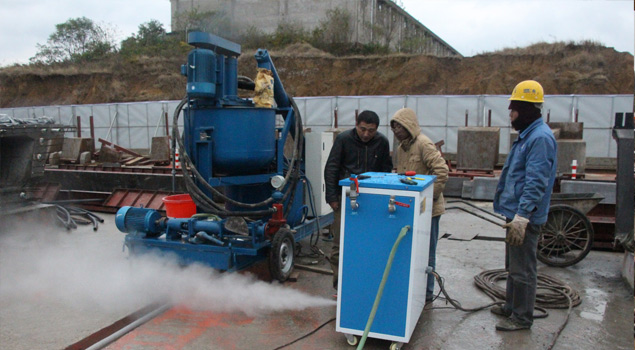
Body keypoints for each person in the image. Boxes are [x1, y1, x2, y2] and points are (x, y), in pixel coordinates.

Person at [492, 80, 557, 331]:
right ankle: (511, 307)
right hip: (515, 215)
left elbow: (535, 183)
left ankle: (521, 317)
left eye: (514, 109)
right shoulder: (528, 135)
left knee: (523, 270)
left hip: (524, 218)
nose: (510, 114)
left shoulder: (539, 139)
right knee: (513, 267)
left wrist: (522, 217)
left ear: (526, 109)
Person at [324, 110, 393, 290]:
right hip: (344, 196)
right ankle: (339, 286)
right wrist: (332, 197)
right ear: (356, 124)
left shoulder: (382, 142)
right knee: (340, 243)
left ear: (376, 129)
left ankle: (366, 284)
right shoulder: (343, 140)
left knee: (370, 241)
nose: (366, 134)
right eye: (362, 129)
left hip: (371, 199)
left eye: (371, 131)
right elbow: (331, 168)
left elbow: (386, 171)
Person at [390, 107, 449, 303]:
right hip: (411, 209)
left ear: (410, 125)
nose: (396, 130)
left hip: (429, 210)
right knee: (412, 251)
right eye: (394, 127)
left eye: (400, 126)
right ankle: (413, 290)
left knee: (427, 252)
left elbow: (441, 170)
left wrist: (429, 197)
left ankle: (427, 293)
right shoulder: (401, 149)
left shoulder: (424, 144)